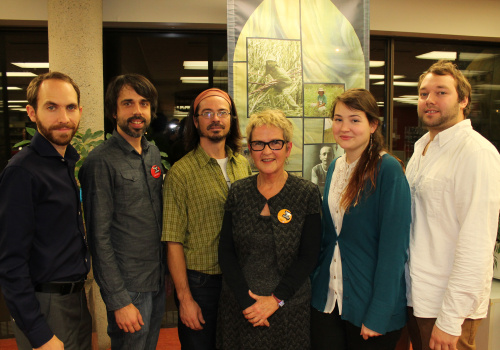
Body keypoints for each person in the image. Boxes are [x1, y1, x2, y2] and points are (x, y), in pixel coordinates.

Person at [405, 60, 500, 350]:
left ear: (463, 100)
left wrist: (451, 318)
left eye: (441, 92)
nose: (430, 100)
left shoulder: (476, 153)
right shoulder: (422, 147)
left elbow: (477, 243)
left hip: (446, 305)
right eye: (423, 93)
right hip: (417, 297)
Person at [310, 88, 411, 349]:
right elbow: (330, 236)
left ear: (373, 124)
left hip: (367, 305)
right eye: (338, 119)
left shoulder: (387, 169)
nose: (345, 127)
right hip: (329, 300)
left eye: (355, 120)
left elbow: (394, 250)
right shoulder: (335, 166)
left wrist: (379, 314)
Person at [0, 72, 91, 349]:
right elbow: (10, 263)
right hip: (45, 306)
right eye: (51, 107)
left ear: (79, 111)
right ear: (31, 112)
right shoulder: (22, 172)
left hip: (76, 300)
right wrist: (40, 335)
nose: (63, 117)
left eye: (70, 107)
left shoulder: (65, 163)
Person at [217, 109, 322, 349]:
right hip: (241, 308)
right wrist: (248, 303)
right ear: (250, 149)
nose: (266, 151)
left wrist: (276, 300)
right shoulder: (238, 193)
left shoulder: (306, 194)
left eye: (275, 143)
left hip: (289, 309)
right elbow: (226, 252)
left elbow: (309, 256)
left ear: (288, 147)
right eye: (258, 144)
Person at [79, 74, 165, 350]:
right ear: (114, 111)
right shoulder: (99, 162)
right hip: (129, 287)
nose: (137, 111)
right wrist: (118, 300)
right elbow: (98, 238)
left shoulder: (153, 154)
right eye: (128, 103)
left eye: (144, 103)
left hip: (156, 279)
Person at [162, 88, 252, 349]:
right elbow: (173, 241)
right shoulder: (181, 173)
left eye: (223, 112)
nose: (216, 119)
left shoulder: (243, 165)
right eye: (208, 113)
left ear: (231, 119)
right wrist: (185, 299)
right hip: (202, 284)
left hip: (239, 280)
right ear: (196, 120)